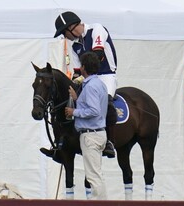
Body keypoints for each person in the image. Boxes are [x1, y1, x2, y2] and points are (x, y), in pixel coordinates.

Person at [41, 11, 117, 158]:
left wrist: (82, 78)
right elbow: (77, 70)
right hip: (87, 78)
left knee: (106, 102)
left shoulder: (96, 29)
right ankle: (62, 142)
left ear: (71, 27)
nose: (64, 36)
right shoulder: (73, 44)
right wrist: (73, 84)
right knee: (67, 99)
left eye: (64, 32)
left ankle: (110, 142)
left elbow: (97, 57)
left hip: (105, 75)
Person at [65, 52, 108, 200]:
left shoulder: (90, 87)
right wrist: (78, 99)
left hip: (90, 135)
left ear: (84, 67)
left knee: (93, 177)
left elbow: (94, 110)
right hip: (99, 133)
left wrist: (74, 111)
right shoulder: (99, 84)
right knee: (97, 174)